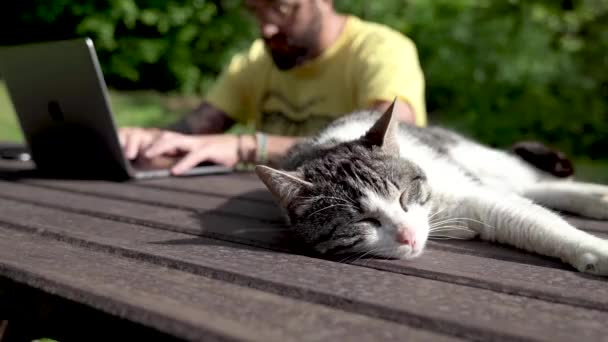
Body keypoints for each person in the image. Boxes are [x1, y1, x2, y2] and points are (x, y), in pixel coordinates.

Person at [119, 0, 427, 174]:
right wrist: (148, 140)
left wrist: (249, 147)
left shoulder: (382, 50)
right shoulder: (255, 61)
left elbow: (386, 139)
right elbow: (192, 133)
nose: (266, 27)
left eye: (280, 7)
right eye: (255, 10)